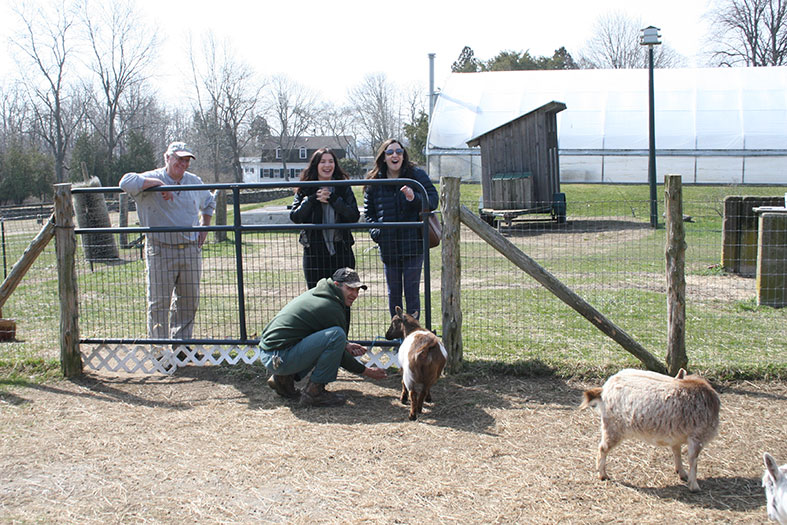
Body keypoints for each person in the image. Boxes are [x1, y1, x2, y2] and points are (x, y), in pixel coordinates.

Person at [119, 141, 216, 345]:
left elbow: (209, 202)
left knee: (188, 301)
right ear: (167, 158)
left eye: (186, 159)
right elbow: (125, 182)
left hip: (190, 250)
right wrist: (158, 185)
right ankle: (159, 347)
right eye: (179, 158)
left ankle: (182, 345)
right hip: (161, 250)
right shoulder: (153, 177)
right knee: (159, 302)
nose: (183, 163)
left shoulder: (194, 181)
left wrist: (204, 227)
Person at [259, 268, 387, 407]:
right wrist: (366, 371)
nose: (355, 294)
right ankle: (314, 393)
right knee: (337, 335)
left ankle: (283, 380)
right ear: (337, 285)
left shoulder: (319, 294)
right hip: (280, 358)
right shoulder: (331, 306)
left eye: (357, 290)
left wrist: (346, 345)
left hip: (271, 354)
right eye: (350, 289)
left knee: (336, 338)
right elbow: (337, 348)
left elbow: (315, 332)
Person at [364, 139, 439, 318]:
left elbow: (433, 200)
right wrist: (377, 234)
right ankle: (398, 336)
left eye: (399, 151)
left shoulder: (416, 175)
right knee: (394, 294)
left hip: (413, 244)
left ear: (403, 155)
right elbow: (369, 214)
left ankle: (413, 336)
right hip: (389, 246)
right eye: (390, 152)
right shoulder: (375, 181)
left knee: (412, 292)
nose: (395, 155)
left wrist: (415, 198)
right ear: (383, 157)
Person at [290, 148, 359, 288]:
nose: (327, 165)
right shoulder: (305, 187)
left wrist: (334, 199)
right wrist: (312, 199)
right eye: (323, 162)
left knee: (343, 298)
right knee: (316, 298)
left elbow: (353, 216)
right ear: (316, 165)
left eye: (331, 161)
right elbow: (295, 216)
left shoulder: (343, 187)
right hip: (314, 253)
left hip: (342, 251)